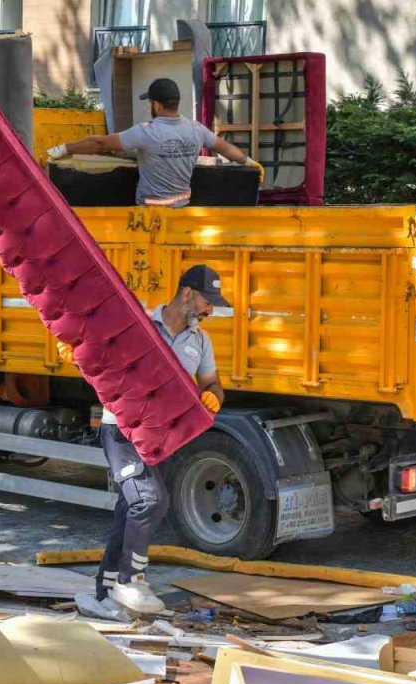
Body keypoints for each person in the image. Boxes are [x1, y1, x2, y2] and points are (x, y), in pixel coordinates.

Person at [60, 264, 229, 618]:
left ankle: (105, 594)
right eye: (206, 301)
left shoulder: (200, 341)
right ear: (187, 294)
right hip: (121, 430)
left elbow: (212, 382)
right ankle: (130, 580)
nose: (209, 309)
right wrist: (77, 352)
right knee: (148, 501)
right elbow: (97, 348)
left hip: (161, 435)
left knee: (131, 508)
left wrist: (213, 395)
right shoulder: (137, 325)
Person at [47, 78, 262, 207]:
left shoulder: (145, 133)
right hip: (182, 206)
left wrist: (63, 149)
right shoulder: (196, 129)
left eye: (150, 102)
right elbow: (224, 148)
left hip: (150, 212)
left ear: (157, 106)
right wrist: (250, 162)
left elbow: (100, 144)